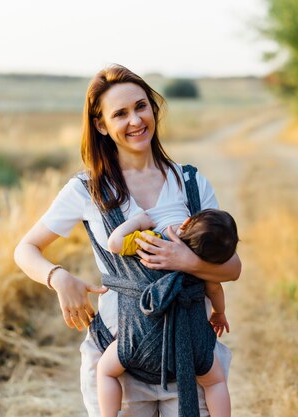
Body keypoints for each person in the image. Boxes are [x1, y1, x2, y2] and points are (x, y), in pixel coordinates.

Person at [14, 64, 241, 417]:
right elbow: (25, 249)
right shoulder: (87, 189)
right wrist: (58, 278)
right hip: (120, 362)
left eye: (141, 106)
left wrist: (186, 262)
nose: (135, 120)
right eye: (120, 114)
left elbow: (233, 268)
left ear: (153, 108)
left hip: (190, 360)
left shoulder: (191, 183)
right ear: (102, 126)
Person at [98, 208, 237, 417]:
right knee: (215, 382)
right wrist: (219, 313)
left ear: (186, 222)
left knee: (105, 371)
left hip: (139, 340)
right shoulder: (201, 265)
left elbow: (114, 243)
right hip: (192, 346)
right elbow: (215, 289)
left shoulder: (153, 243)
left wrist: (136, 222)